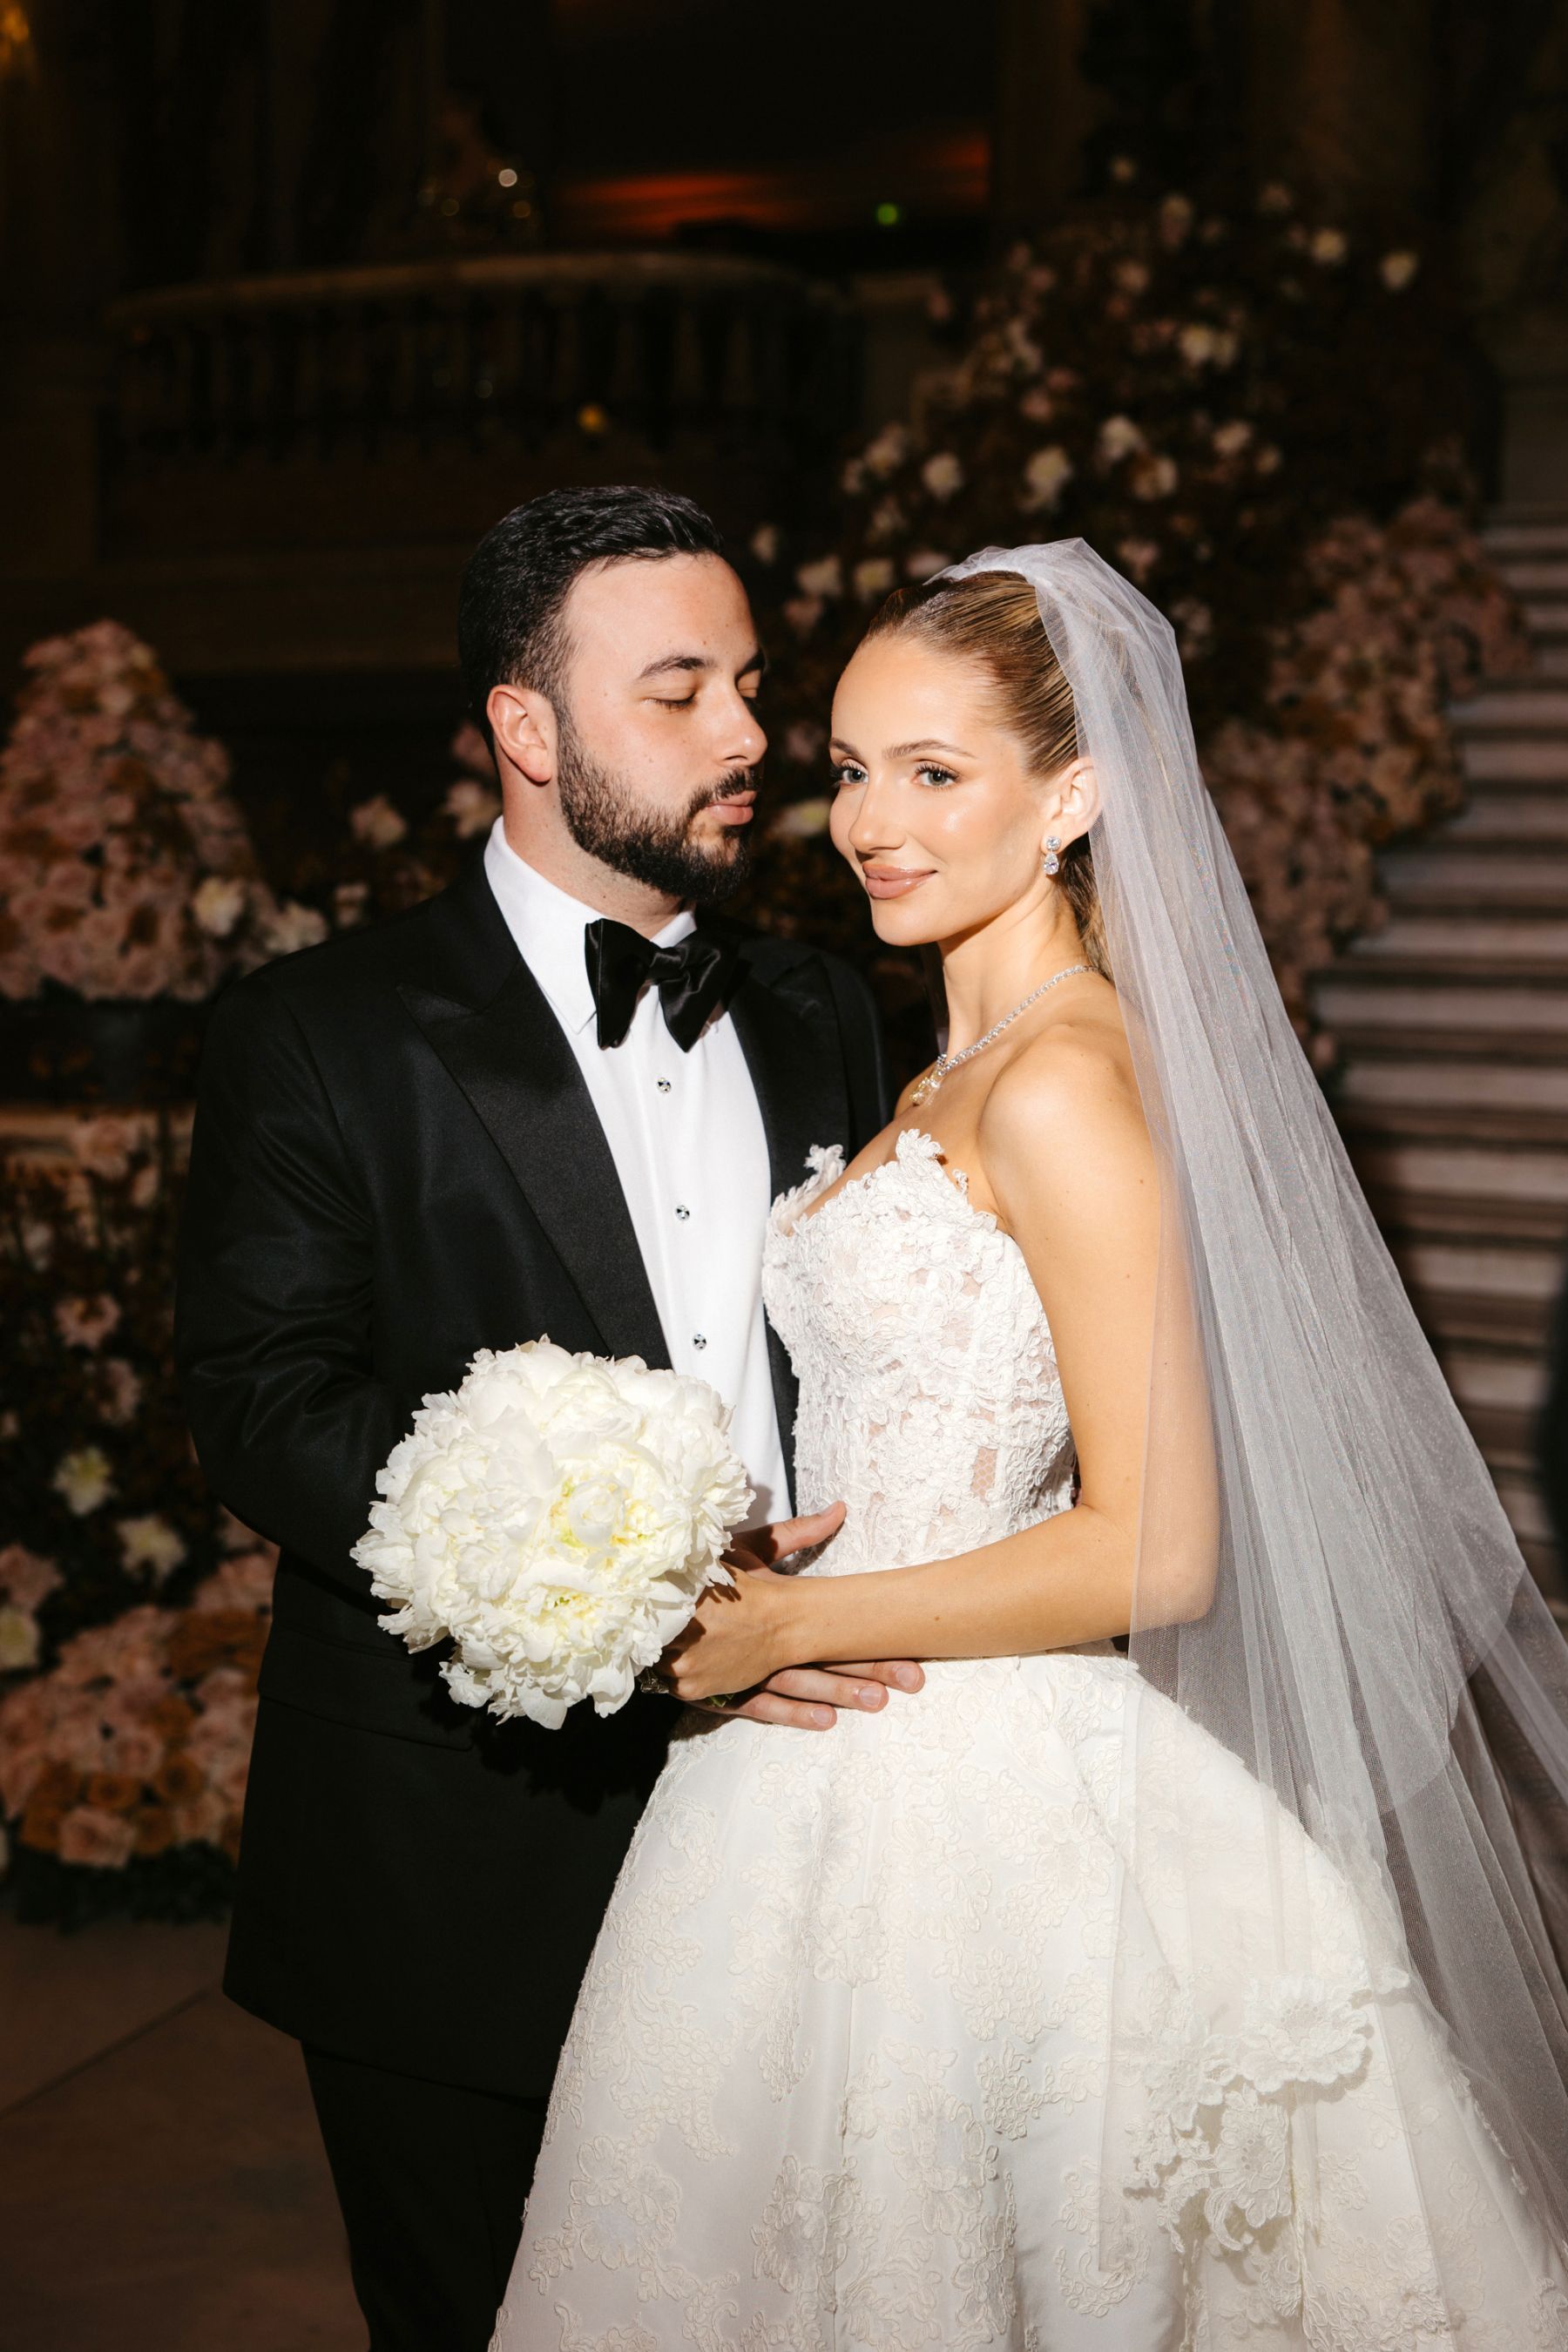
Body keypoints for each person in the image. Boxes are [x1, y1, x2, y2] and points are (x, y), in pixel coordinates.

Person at [497, 544, 1568, 2347]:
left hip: (982, 1787)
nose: (870, 823)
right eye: (853, 769)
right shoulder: (946, 1070)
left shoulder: (1066, 1078)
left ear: (1072, 797)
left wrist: (792, 1626)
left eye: (936, 772)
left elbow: (1158, 1546)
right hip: (834, 1758)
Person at [174, 485, 913, 2352]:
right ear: (526, 724)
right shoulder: (321, 1030)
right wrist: (631, 1597)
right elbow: (265, 1404)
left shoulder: (826, 1009)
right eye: (679, 691)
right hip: (460, 1854)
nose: (747, 736)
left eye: (751, 685)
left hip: (813, 1811)